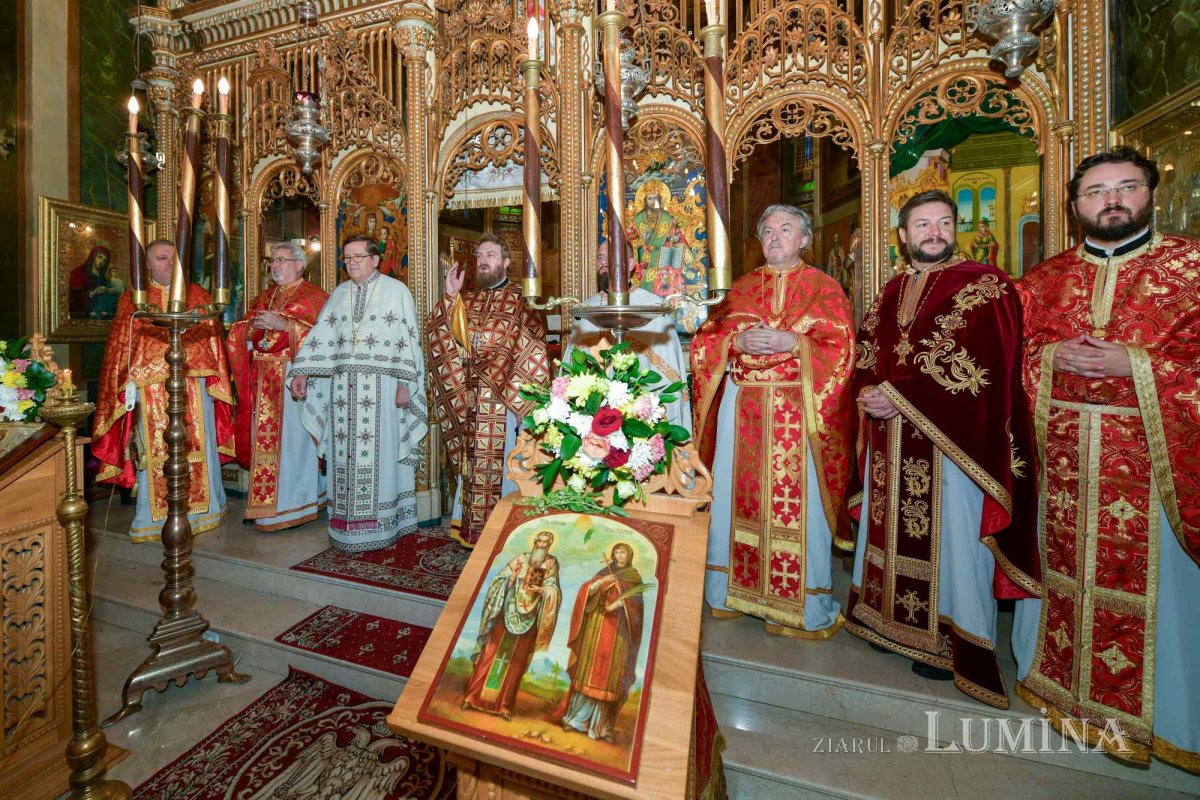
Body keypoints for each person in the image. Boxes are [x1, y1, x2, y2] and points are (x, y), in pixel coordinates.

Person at [1013, 148, 1200, 769]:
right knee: (1064, 575)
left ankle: (1165, 720)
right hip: (1065, 469)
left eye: (1125, 187)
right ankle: (1064, 693)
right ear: (1075, 208)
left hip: (1158, 475)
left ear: (1151, 194)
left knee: (1162, 603)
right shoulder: (1042, 281)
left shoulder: (1190, 268)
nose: (1110, 200)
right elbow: (1013, 364)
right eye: (1095, 192)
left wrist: (1137, 365)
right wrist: (1048, 358)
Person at [846, 189, 1040, 708]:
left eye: (944, 222)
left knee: (953, 544)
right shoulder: (890, 290)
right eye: (923, 225)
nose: (934, 232)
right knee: (889, 535)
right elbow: (868, 352)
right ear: (904, 235)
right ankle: (892, 623)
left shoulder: (987, 285)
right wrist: (865, 391)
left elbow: (990, 368)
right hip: (890, 439)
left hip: (954, 445)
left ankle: (955, 643)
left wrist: (899, 395)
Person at [692, 205, 854, 638]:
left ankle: (798, 606)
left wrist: (795, 342)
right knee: (733, 497)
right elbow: (704, 341)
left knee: (797, 504)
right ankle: (728, 591)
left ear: (804, 239)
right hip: (742, 411)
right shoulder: (742, 288)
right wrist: (735, 340)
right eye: (767, 230)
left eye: (786, 229)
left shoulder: (825, 289)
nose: (775, 236)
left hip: (799, 412)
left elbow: (843, 349)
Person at [288, 234, 427, 552]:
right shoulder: (338, 295)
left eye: (358, 257)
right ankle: (345, 529)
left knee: (383, 457)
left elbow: (408, 341)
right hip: (341, 395)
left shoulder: (397, 292)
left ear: (375, 259)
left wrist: (406, 384)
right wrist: (303, 371)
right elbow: (321, 338)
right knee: (343, 459)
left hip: (384, 392)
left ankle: (383, 524)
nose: (351, 263)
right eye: (347, 257)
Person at [93, 239, 235, 541]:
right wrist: (131, 382)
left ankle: (203, 511)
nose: (169, 265)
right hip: (150, 391)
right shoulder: (134, 301)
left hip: (193, 387)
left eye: (174, 259)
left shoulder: (198, 295)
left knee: (199, 443)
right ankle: (154, 518)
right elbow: (122, 351)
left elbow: (211, 348)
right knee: (154, 448)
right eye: (161, 259)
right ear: (147, 264)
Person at [427, 233, 550, 547]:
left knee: (505, 467)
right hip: (470, 402)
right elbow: (442, 339)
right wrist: (448, 298)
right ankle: (470, 530)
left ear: (506, 262)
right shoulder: (465, 300)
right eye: (480, 255)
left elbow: (533, 351)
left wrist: (520, 399)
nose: (483, 260)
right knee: (473, 468)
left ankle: (504, 531)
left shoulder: (523, 300)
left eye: (491, 255)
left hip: (504, 401)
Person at [227, 241, 329, 531]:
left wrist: (288, 327)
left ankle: (293, 506)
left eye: (282, 260)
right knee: (266, 445)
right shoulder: (263, 298)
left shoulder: (316, 297)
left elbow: (326, 338)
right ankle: (264, 506)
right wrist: (248, 330)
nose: (274, 266)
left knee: (294, 446)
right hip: (262, 381)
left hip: (294, 378)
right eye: (272, 261)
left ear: (299, 265)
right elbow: (242, 332)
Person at [564, 243, 691, 432]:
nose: (604, 262)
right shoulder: (586, 309)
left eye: (611, 256)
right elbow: (572, 371)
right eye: (600, 257)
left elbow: (668, 376)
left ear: (631, 264)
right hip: (593, 419)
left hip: (642, 419)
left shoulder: (654, 309)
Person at [462, 529, 562, 719]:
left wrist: (542, 590)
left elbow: (554, 589)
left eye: (545, 544)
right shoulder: (521, 560)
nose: (541, 546)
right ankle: (473, 697)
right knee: (490, 654)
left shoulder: (551, 563)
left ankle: (504, 706)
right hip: (507, 613)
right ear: (534, 542)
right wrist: (512, 578)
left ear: (549, 546)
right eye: (539, 542)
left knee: (516, 662)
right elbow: (497, 581)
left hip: (530, 620)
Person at [552, 542, 644, 742]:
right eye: (617, 552)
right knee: (588, 672)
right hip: (596, 630)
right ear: (612, 554)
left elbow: (636, 606)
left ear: (629, 556)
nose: (620, 556)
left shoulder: (633, 578)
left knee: (609, 677)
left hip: (618, 635)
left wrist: (621, 604)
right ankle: (575, 719)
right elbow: (588, 593)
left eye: (623, 553)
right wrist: (599, 584)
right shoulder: (604, 572)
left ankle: (601, 728)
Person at [68, 244, 112, 317]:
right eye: (100, 257)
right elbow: (75, 297)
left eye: (105, 260)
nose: (101, 261)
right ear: (93, 256)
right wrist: (93, 293)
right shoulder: (78, 273)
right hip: (83, 316)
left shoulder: (103, 279)